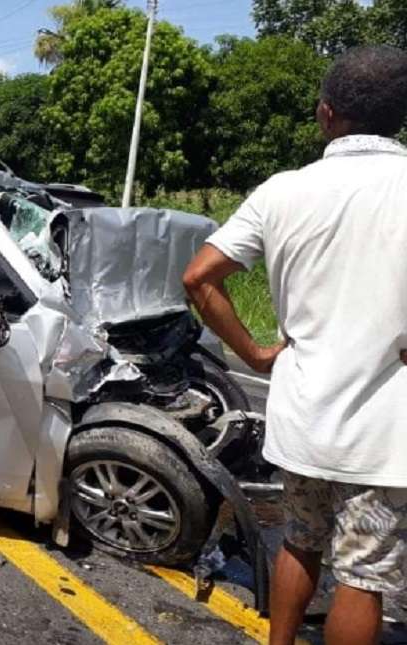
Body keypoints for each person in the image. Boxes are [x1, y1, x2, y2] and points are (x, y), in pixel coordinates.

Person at [182, 45, 407, 645]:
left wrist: (254, 354)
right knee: (363, 575)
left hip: (302, 414)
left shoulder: (281, 191)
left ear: (326, 113)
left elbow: (198, 278)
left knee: (302, 542)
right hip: (381, 431)